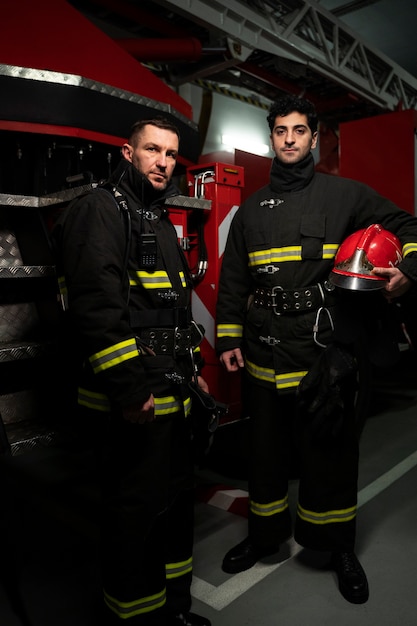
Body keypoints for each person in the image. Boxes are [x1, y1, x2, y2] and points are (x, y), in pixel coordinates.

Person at [215, 94, 417, 604]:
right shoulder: (252, 210)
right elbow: (234, 277)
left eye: (298, 131)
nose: (288, 139)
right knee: (265, 457)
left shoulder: (345, 195)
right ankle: (262, 538)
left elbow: (410, 228)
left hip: (325, 353)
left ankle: (337, 548)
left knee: (330, 456)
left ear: (313, 137)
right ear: (271, 137)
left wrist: (407, 274)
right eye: (280, 130)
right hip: (263, 354)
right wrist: (229, 337)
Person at [52, 117, 211, 626]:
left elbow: (170, 312)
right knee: (137, 515)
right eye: (152, 150)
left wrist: (194, 371)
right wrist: (128, 390)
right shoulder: (100, 210)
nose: (163, 162)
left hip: (174, 394)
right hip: (135, 404)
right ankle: (136, 618)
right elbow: (96, 308)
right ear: (127, 152)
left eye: (171, 154)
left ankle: (174, 609)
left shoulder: (158, 219)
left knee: (175, 506)